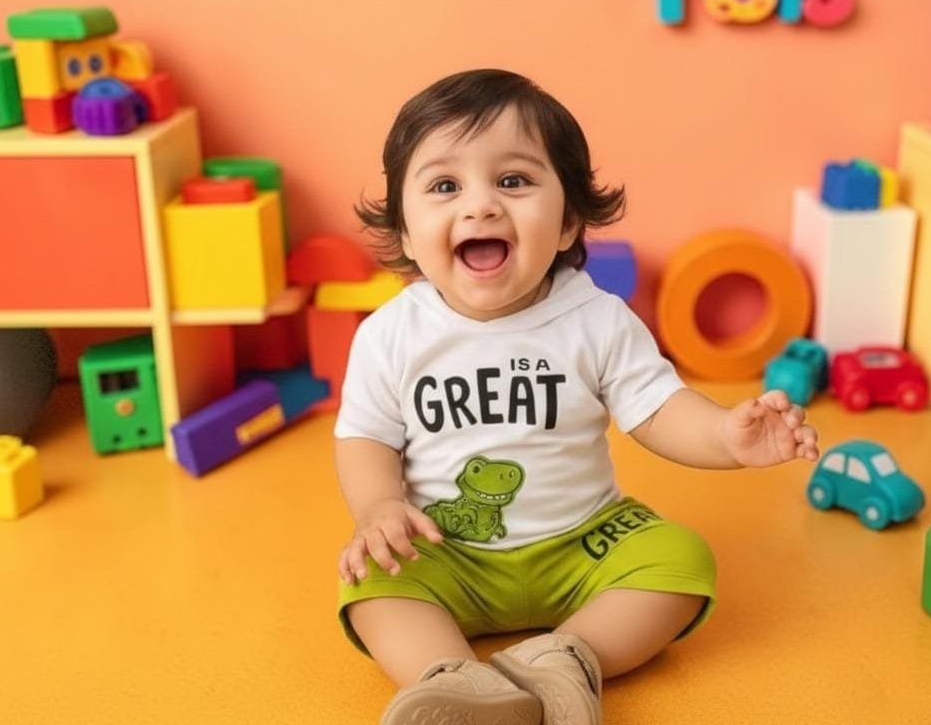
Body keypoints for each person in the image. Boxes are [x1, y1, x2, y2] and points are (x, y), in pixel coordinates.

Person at [334, 69, 819, 725]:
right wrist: (378, 508)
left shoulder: (596, 319)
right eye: (445, 186)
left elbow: (658, 409)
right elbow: (365, 437)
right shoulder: (391, 335)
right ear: (406, 235)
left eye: (513, 180)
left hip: (583, 543)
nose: (480, 206)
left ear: (567, 223)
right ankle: (454, 683)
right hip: (448, 550)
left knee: (682, 559)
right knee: (370, 583)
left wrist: (724, 435)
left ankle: (565, 658)